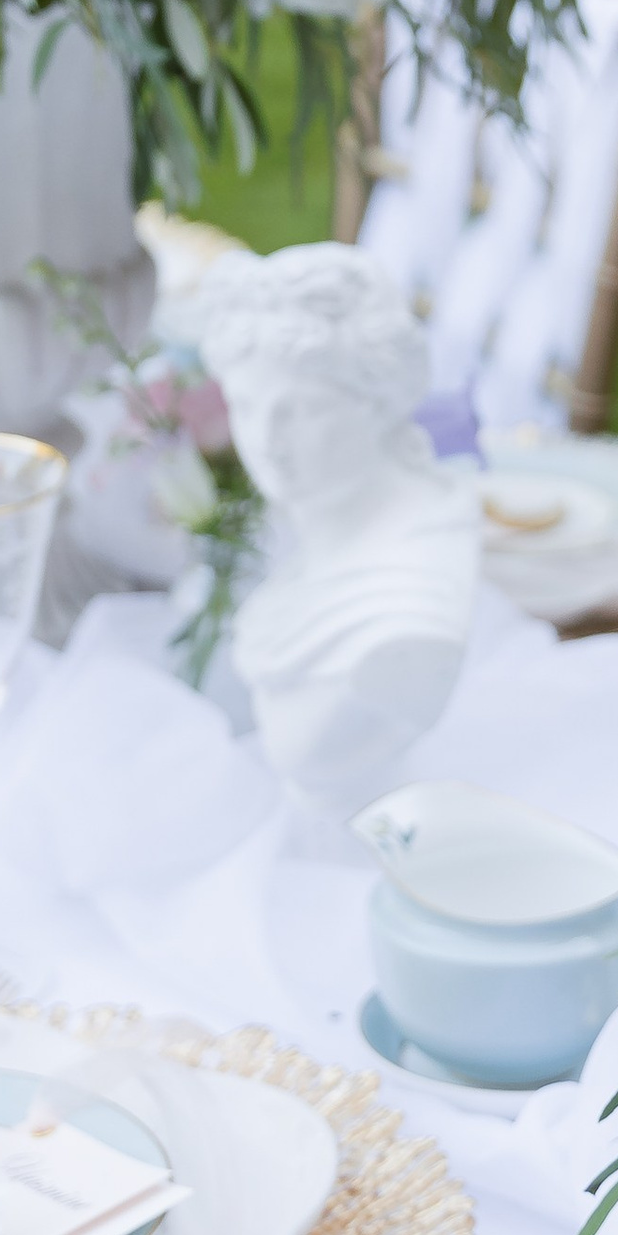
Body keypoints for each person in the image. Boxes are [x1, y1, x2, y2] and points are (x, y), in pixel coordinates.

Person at [196, 243, 479, 815]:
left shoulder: (402, 614)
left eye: (300, 411)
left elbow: (305, 746)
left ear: (376, 403)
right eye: (247, 408)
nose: (267, 440)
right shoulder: (319, 529)